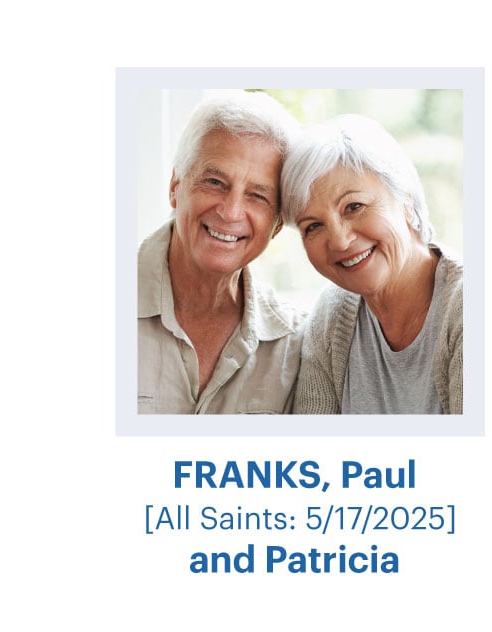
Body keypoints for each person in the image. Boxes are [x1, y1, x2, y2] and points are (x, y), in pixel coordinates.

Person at [280, 114, 462, 414]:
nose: (339, 241)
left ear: (405, 200)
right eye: (313, 226)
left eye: (354, 207)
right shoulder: (333, 315)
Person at [138, 92, 304, 414]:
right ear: (175, 185)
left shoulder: (295, 345)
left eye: (257, 196)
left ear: (278, 223)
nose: (230, 212)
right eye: (215, 182)